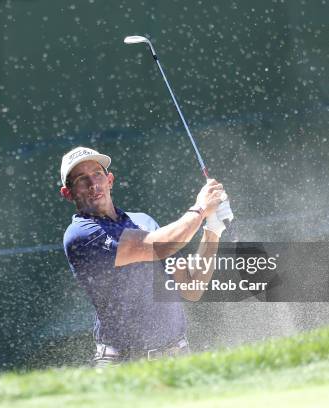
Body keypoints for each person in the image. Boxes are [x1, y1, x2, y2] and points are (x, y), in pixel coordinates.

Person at [59, 146, 232, 366]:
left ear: (110, 180)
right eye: (81, 180)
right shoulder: (80, 234)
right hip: (123, 363)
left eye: (97, 175)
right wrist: (200, 208)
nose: (93, 184)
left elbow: (191, 287)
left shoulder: (144, 221)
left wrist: (213, 229)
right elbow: (156, 246)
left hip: (177, 355)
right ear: (68, 193)